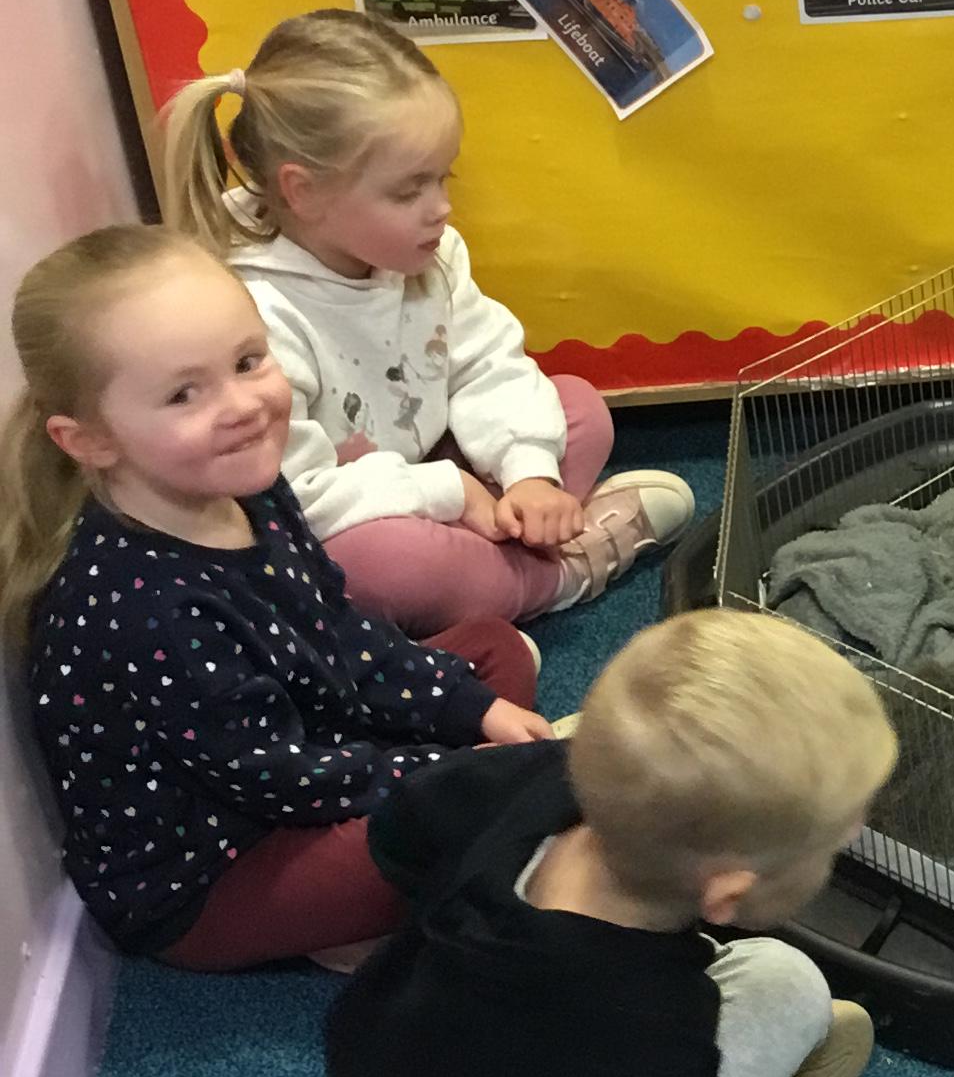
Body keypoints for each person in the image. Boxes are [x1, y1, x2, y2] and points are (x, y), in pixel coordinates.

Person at [325, 611, 898, 1077]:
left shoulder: (544, 779)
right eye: (833, 843)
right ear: (728, 893)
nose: (851, 838)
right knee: (791, 983)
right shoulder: (636, 1042)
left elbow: (402, 827)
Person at [2, 227, 554, 971]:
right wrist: (449, 770)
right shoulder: (146, 608)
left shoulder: (249, 486)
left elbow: (340, 631)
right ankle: (380, 898)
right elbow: (276, 777)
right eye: (183, 394)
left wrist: (470, 712)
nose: (243, 405)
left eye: (248, 361)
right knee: (475, 806)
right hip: (217, 877)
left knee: (492, 651)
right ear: (90, 440)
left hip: (305, 746)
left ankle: (427, 859)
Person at [157, 11, 692, 634]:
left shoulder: (431, 253)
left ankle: (499, 559)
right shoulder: (247, 313)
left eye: (443, 177)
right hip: (349, 517)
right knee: (381, 567)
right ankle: (556, 576)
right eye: (408, 191)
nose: (442, 208)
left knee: (579, 408)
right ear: (302, 191)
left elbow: (486, 362)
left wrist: (529, 473)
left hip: (427, 462)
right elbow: (294, 498)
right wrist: (450, 492)